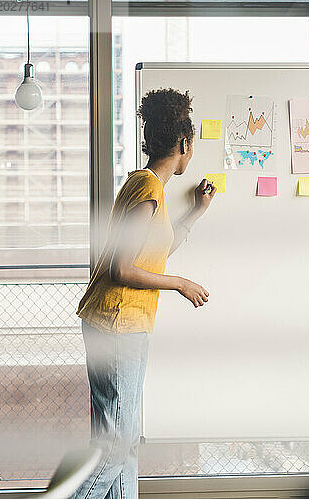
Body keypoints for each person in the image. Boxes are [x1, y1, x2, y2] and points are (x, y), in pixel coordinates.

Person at [71, 88, 215, 498]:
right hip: (118, 325)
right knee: (116, 448)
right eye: (193, 147)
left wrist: (195, 214)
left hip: (116, 323)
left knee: (123, 445)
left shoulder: (146, 187)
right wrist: (182, 284)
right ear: (184, 144)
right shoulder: (148, 191)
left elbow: (153, 253)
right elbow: (123, 267)